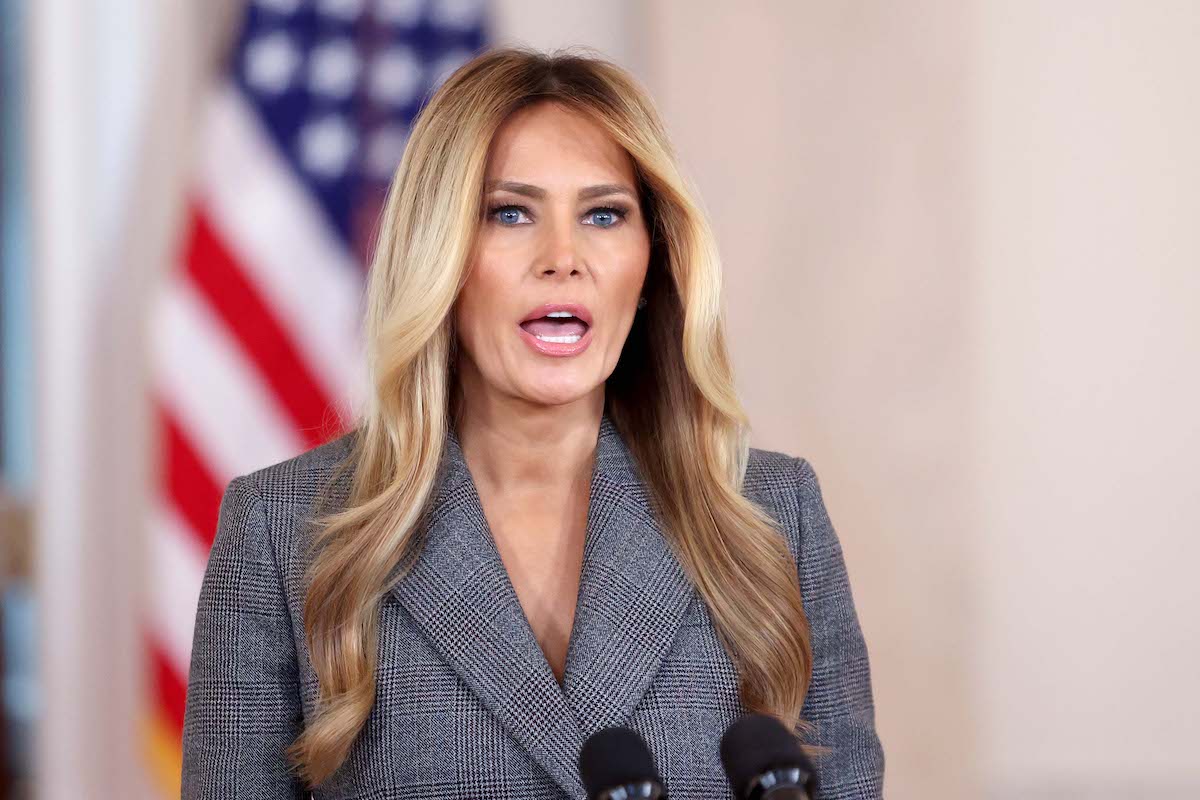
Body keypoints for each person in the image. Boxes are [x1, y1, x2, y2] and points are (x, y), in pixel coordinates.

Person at [181, 46, 885, 799]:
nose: (563, 258)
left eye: (604, 215)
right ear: (439, 255)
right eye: (510, 213)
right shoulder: (283, 531)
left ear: (652, 263)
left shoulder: (774, 516)